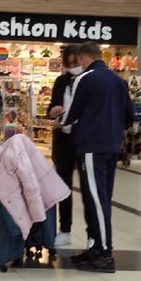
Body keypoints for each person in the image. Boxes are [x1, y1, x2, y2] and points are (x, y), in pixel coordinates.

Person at [62, 41, 133, 273]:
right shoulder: (119, 81)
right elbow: (130, 116)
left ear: (84, 57)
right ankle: (94, 248)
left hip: (92, 146)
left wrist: (60, 120)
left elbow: (72, 114)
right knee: (100, 198)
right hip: (112, 146)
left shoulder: (86, 79)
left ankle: (104, 253)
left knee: (96, 200)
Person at [47, 45, 83, 248]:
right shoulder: (61, 82)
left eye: (75, 63)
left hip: (83, 140)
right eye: (68, 64)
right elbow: (51, 108)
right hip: (62, 139)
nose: (72, 67)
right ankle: (65, 229)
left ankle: (93, 233)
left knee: (88, 187)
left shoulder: (88, 81)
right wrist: (54, 112)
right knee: (63, 186)